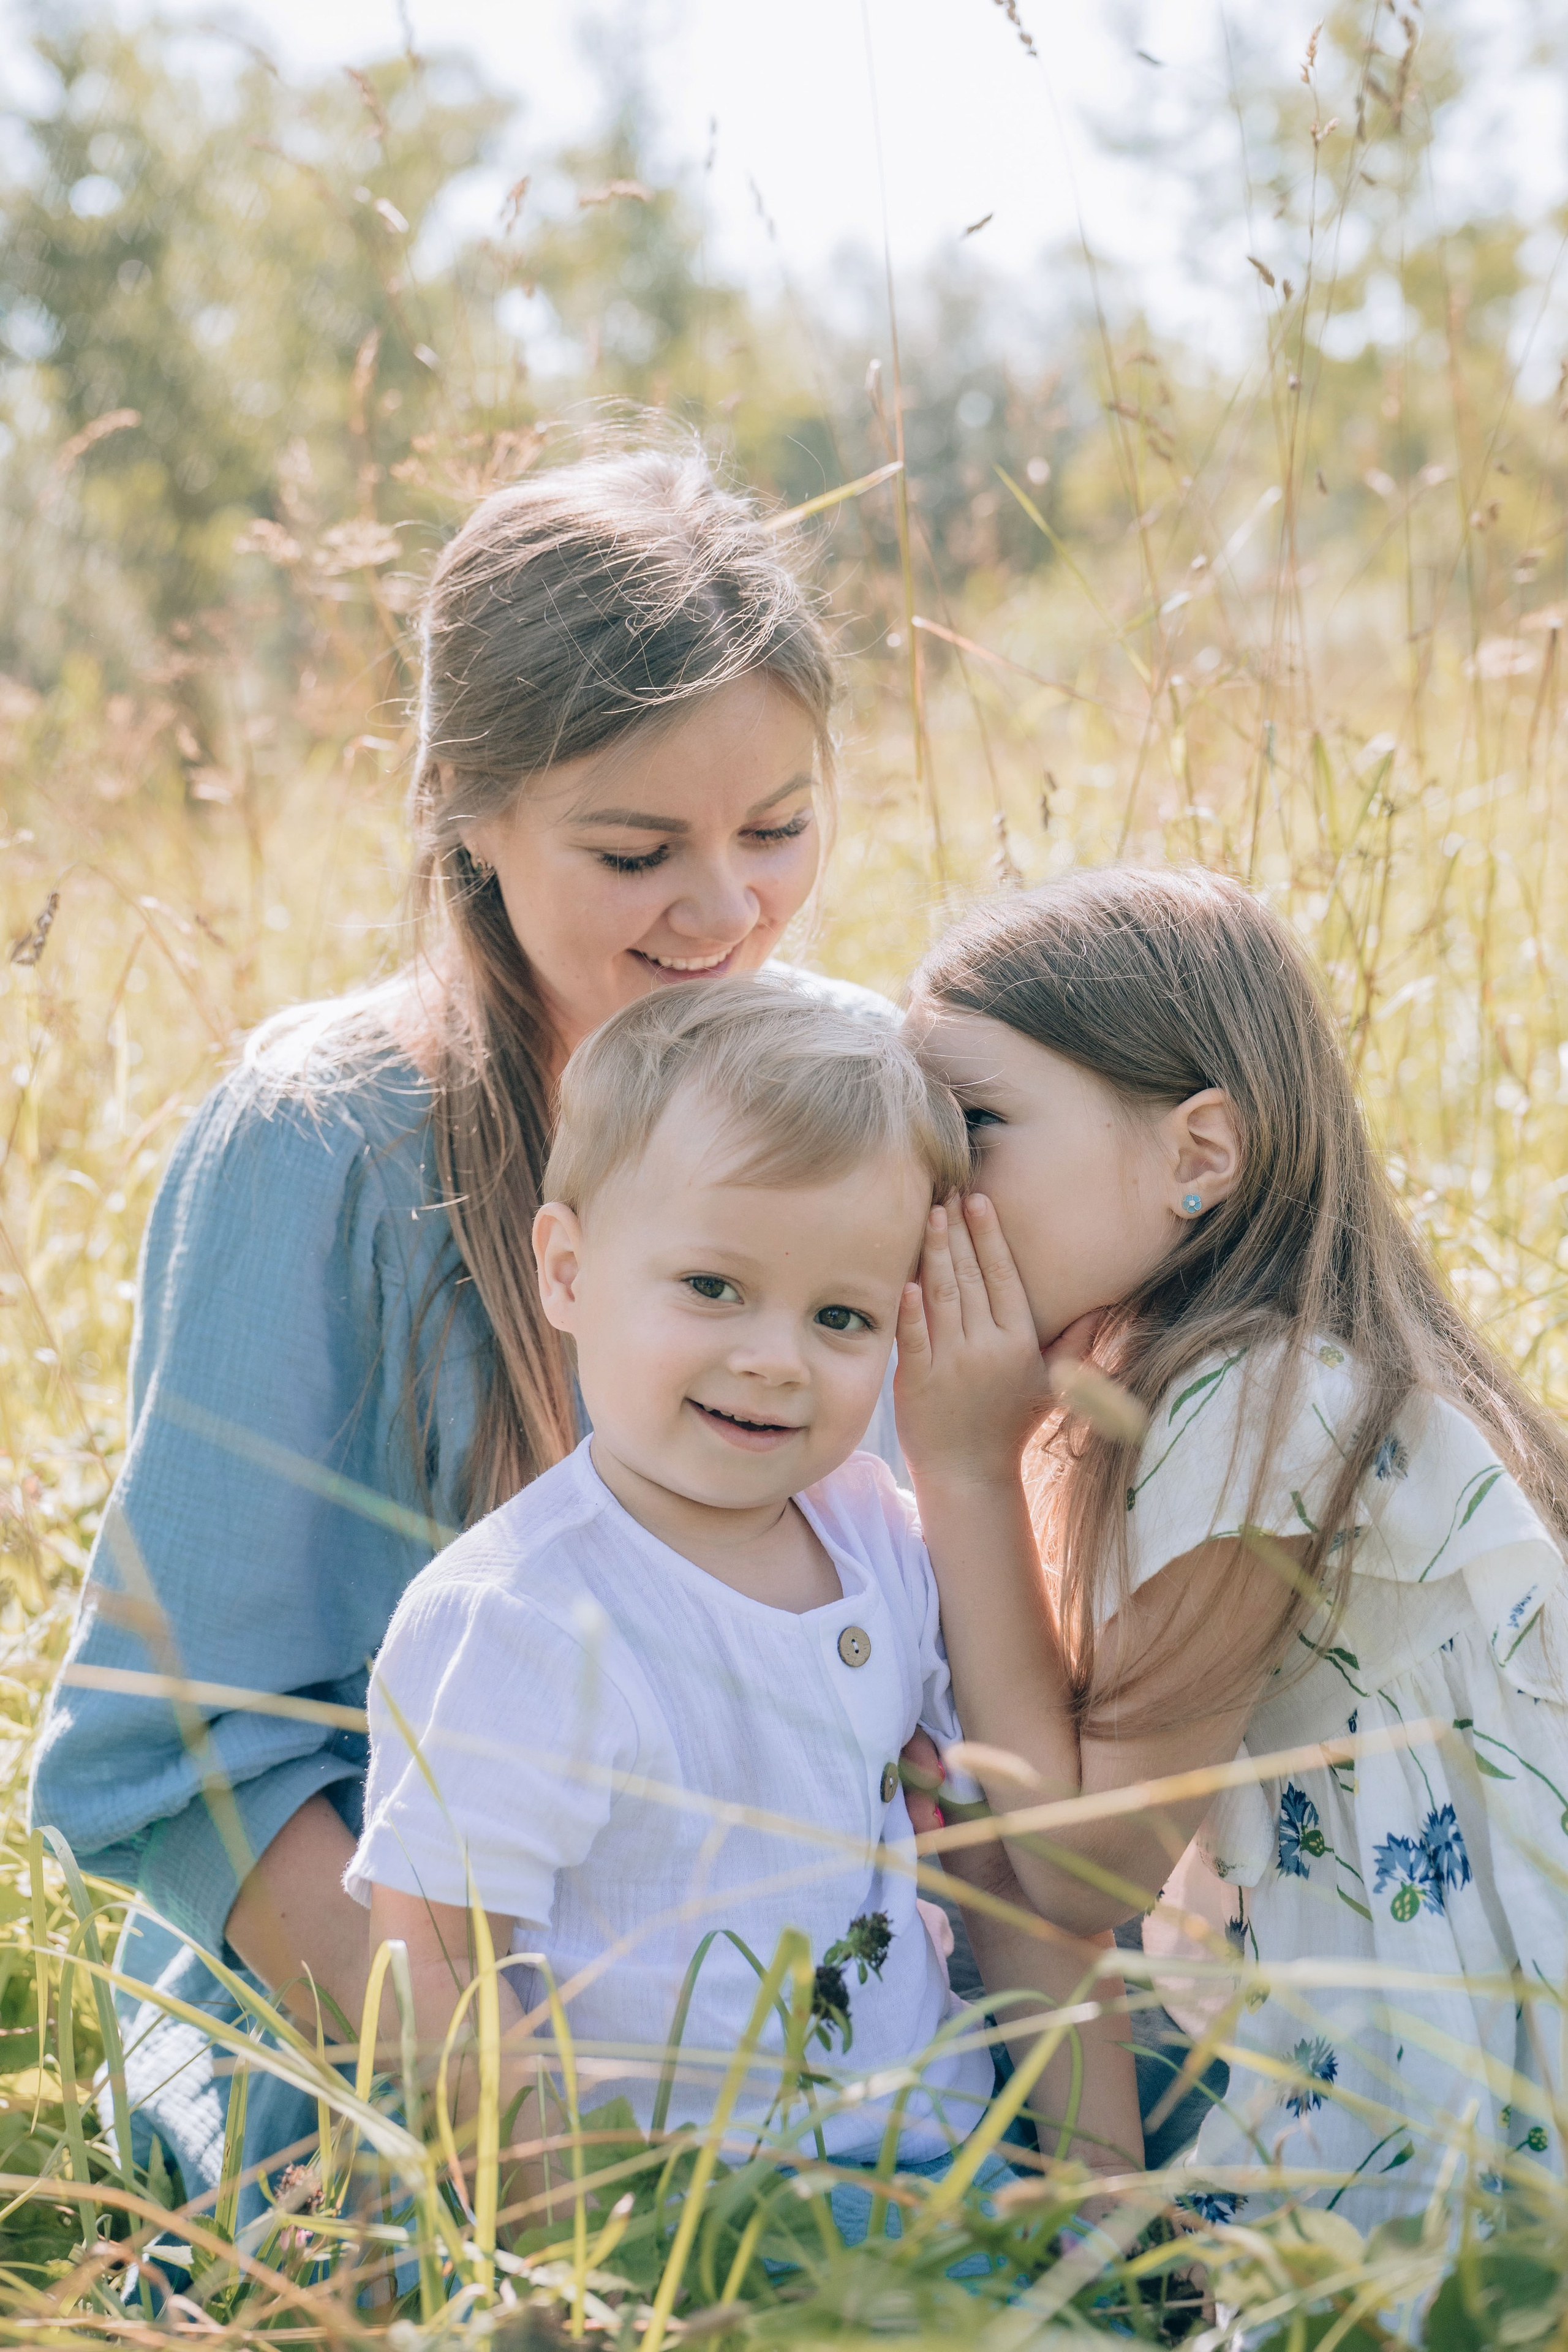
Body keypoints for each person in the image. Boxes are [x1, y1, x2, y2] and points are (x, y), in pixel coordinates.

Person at [28, 443, 903, 2216]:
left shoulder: (852, 1087)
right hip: (389, 2011)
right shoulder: (323, 1142)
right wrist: (543, 2139)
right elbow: (176, 1752)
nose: (727, 911)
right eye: (636, 850)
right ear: (463, 810)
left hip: (812, 1982)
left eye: (777, 828)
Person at [349, 974, 1141, 2249]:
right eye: (712, 1287)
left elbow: (1007, 1865)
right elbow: (445, 1977)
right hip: (678, 2217)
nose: (775, 1357)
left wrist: (1110, 2221)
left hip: (940, 2168)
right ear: (567, 1271)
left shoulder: (878, 1539)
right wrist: (574, 2272)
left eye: (841, 1317)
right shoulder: (519, 1618)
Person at [891, 864, 1568, 2230]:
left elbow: (1086, 1869)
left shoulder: (1254, 1404)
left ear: (1199, 1154)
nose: (928, 1188)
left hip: (1470, 2067)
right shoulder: (1237, 1377)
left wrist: (961, 1468)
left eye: (972, 1128)